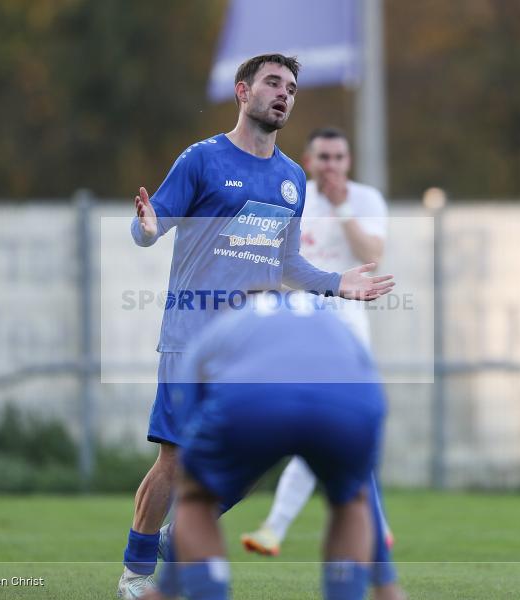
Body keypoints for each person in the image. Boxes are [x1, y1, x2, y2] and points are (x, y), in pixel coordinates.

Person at [119, 54, 394, 598]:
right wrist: (146, 228)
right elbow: (154, 223)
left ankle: (184, 533)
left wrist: (338, 282)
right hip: (192, 337)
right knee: (174, 458)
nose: (284, 93)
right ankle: (136, 572)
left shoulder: (293, 178)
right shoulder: (200, 159)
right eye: (272, 83)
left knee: (252, 458)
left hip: (253, 348)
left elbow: (288, 264)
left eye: (291, 87)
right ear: (243, 91)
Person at [241, 127, 403, 598]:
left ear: (348, 160)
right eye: (324, 157)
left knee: (333, 426)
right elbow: (265, 259)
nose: (332, 165)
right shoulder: (292, 197)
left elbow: (372, 254)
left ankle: (276, 526)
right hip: (299, 325)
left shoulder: (366, 199)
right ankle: (375, 532)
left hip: (348, 329)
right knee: (326, 428)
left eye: (339, 156)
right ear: (309, 161)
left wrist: (343, 207)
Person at [157, 291, 388, 600]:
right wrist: (387, 583)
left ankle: (205, 589)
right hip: (349, 401)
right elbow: (368, 380)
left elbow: (187, 405)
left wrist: (167, 587)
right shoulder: (329, 318)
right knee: (352, 499)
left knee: (197, 497)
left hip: (250, 401)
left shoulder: (227, 323)